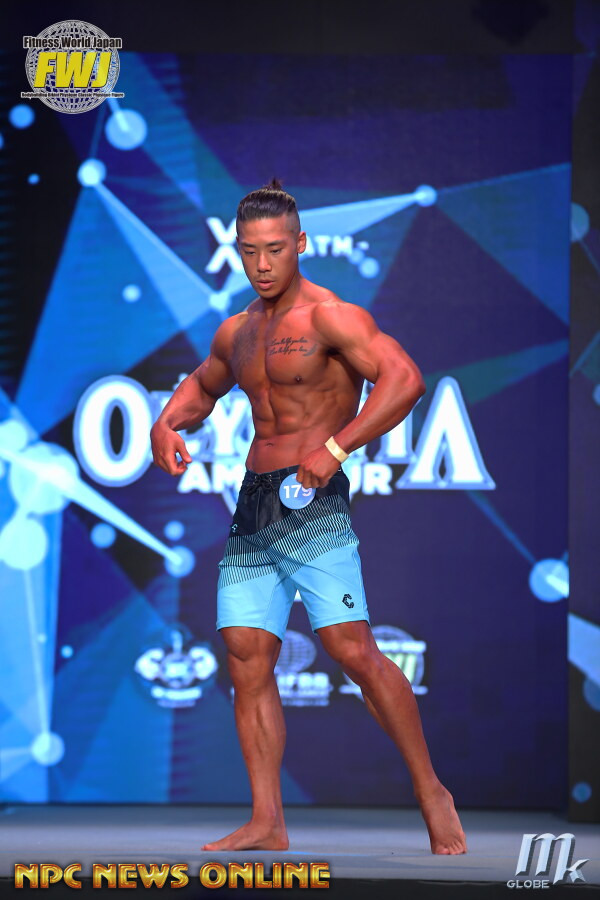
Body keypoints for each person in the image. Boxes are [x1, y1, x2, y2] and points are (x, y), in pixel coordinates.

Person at [150, 178, 467, 856]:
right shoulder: (238, 330)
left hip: (314, 502)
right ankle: (267, 821)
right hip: (255, 504)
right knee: (246, 656)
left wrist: (336, 448)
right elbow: (203, 384)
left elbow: (405, 380)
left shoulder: (331, 318)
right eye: (249, 252)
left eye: (275, 250)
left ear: (300, 244)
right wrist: (165, 423)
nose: (262, 265)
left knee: (352, 650)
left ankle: (430, 791)